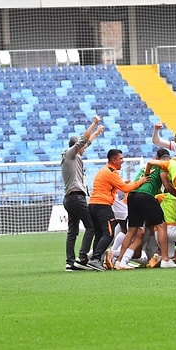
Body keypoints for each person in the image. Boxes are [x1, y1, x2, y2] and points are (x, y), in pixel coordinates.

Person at [114, 148, 176, 269]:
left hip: (132, 196)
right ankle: (166, 259)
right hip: (145, 196)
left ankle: (120, 261)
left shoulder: (145, 167)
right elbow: (167, 186)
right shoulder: (163, 167)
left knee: (132, 230)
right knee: (161, 225)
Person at [86, 149, 149, 271]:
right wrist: (140, 182)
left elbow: (111, 186)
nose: (122, 161)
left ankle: (95, 259)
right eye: (120, 158)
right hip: (103, 206)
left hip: (93, 205)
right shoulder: (111, 172)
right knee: (109, 234)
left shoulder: (104, 171)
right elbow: (125, 188)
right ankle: (96, 258)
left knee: (100, 234)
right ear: (113, 160)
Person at [62, 115, 104, 272]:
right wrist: (93, 124)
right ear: (76, 147)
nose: (85, 148)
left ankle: (70, 262)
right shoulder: (70, 154)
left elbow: (87, 142)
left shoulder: (74, 157)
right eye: (82, 146)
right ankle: (83, 257)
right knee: (91, 227)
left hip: (70, 199)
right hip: (77, 198)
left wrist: (97, 133)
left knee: (72, 230)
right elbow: (83, 140)